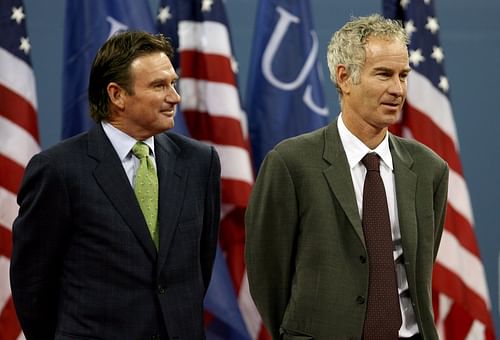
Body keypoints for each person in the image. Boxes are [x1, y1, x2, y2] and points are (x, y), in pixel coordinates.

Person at [245, 14, 448, 340]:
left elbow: (420, 269)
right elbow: (268, 274)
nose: (397, 89)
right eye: (383, 74)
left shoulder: (429, 169)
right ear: (344, 77)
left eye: (403, 75)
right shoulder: (291, 163)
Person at [10, 31, 221, 339]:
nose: (174, 96)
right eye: (159, 85)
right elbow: (32, 284)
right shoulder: (58, 170)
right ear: (117, 95)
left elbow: (200, 265)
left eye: (173, 83)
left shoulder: (199, 162)